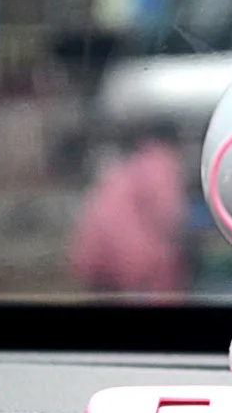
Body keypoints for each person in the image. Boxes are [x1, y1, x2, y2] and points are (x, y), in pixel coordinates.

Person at [68, 122, 187, 295]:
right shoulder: (161, 162)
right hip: (131, 258)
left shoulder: (128, 165)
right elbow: (167, 214)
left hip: (94, 250)